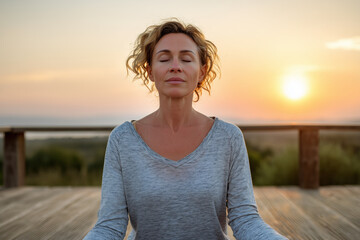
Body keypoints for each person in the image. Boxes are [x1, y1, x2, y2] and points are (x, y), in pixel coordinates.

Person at [84, 19, 287, 240]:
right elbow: (109, 227)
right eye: (164, 58)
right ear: (150, 71)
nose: (175, 66)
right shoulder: (122, 140)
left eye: (186, 58)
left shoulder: (228, 138)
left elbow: (246, 219)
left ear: (202, 71)